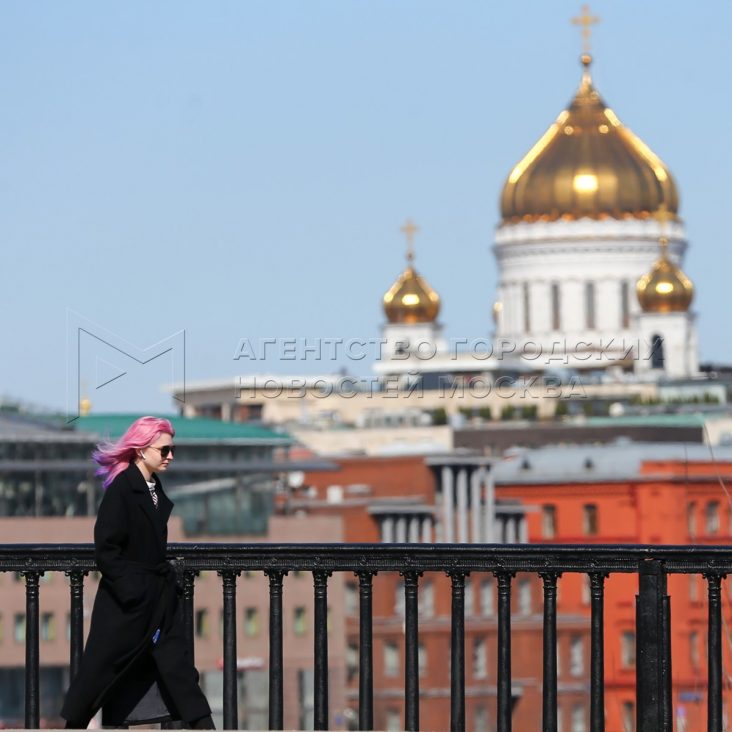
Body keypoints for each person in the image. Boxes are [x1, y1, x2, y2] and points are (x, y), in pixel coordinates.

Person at [61, 416, 214, 729]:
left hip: (159, 596)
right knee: (101, 668)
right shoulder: (122, 489)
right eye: (164, 449)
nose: (170, 455)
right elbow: (106, 548)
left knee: (177, 664)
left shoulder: (152, 487)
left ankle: (204, 725)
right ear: (142, 450)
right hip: (127, 603)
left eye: (172, 449)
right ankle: (73, 726)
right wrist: (132, 590)